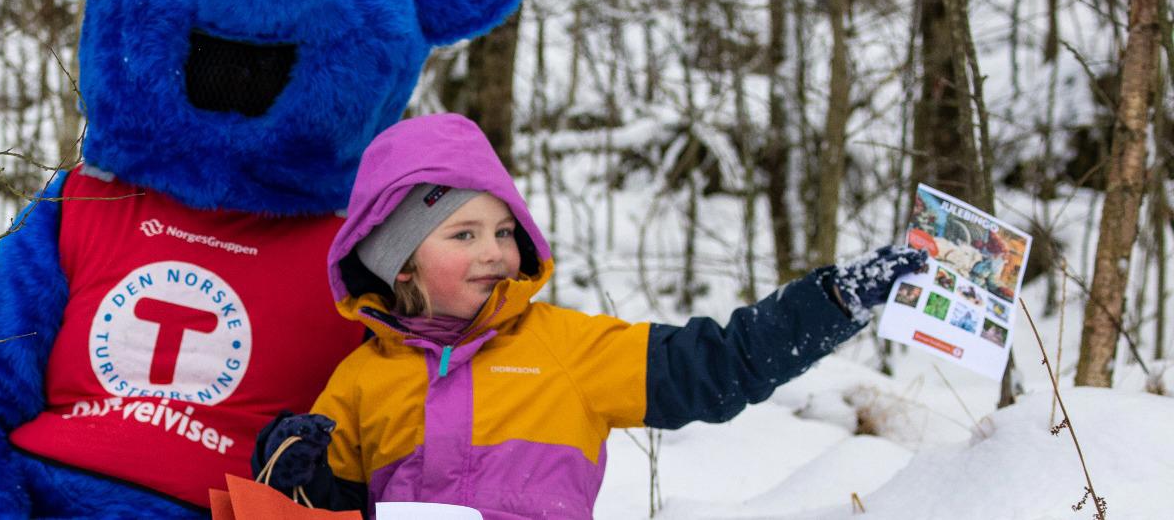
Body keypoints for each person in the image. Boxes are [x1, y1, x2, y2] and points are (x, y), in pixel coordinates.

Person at [251, 113, 927, 518]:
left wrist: (837, 299)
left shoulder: (569, 348)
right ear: (400, 266)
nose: (493, 251)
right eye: (462, 236)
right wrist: (293, 476)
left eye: (502, 230)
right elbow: (324, 509)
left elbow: (721, 366)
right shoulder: (362, 379)